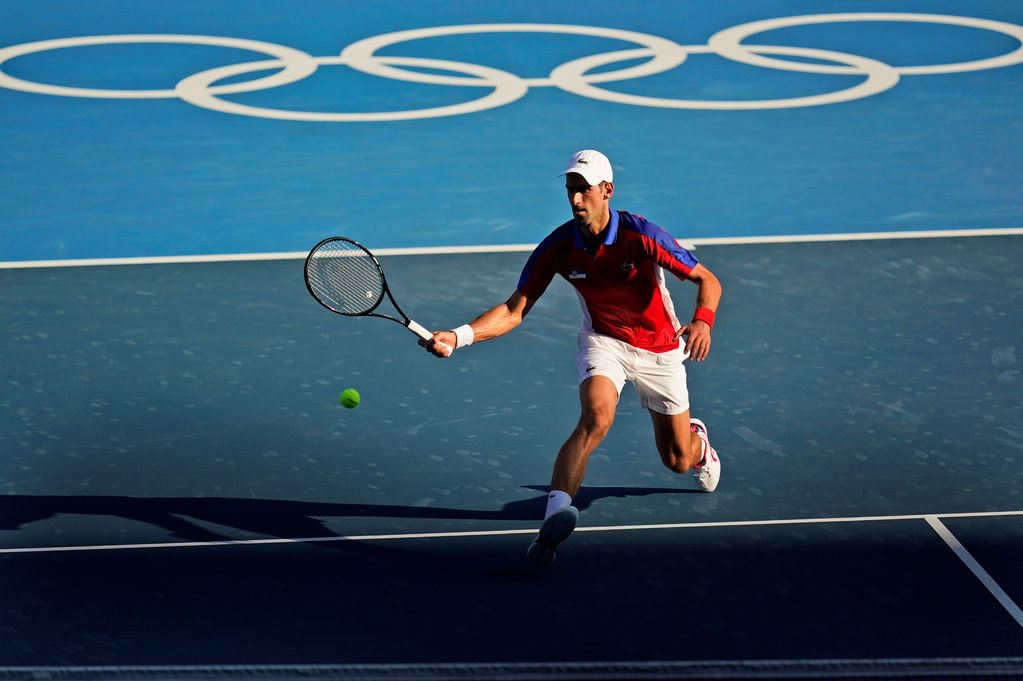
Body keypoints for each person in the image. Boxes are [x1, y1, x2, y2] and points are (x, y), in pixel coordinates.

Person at [422, 149, 722, 566]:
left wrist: (703, 321)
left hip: (661, 347)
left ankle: (698, 444)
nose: (576, 200)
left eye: (583, 190)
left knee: (677, 460)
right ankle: (553, 521)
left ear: (607, 190)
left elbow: (706, 279)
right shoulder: (560, 247)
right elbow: (513, 311)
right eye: (570, 191)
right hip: (605, 341)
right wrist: (458, 337)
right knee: (597, 415)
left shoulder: (642, 235)